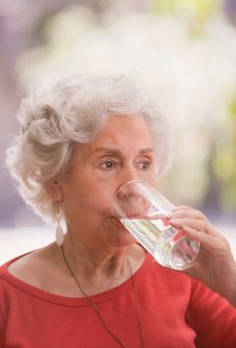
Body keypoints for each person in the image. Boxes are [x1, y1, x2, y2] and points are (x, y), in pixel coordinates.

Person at [0, 73, 236, 348]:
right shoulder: (8, 300)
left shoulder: (187, 275)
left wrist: (231, 285)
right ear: (55, 183)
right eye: (109, 164)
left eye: (144, 163)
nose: (132, 187)